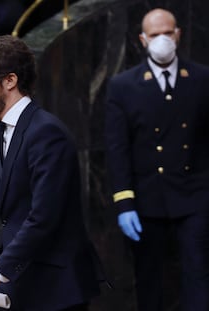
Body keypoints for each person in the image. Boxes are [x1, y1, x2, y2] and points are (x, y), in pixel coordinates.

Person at [0, 35, 102, 310]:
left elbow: (44, 216)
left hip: (54, 287)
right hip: (24, 276)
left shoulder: (46, 133)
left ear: (10, 81)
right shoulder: (5, 129)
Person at [105, 8, 209, 311]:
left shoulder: (202, 78)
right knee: (149, 281)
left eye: (167, 32)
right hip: (147, 200)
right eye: (155, 34)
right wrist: (124, 203)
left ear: (178, 34)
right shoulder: (122, 85)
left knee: (199, 274)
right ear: (142, 39)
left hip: (194, 196)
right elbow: (117, 148)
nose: (162, 39)